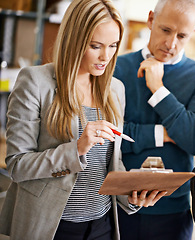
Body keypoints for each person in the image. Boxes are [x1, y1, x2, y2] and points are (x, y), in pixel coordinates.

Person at [0, 0, 165, 239]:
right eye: (95, 45)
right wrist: (76, 148)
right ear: (74, 40)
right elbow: (17, 165)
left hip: (103, 225)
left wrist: (131, 194)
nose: (105, 56)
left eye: (113, 46)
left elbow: (111, 162)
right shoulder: (35, 82)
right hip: (53, 226)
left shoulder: (115, 89)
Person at [113, 0, 195, 239]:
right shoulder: (117, 68)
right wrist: (166, 134)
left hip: (174, 210)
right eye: (166, 30)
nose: (171, 44)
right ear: (151, 20)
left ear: (193, 34)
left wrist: (158, 89)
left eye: (182, 36)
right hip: (119, 203)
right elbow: (110, 137)